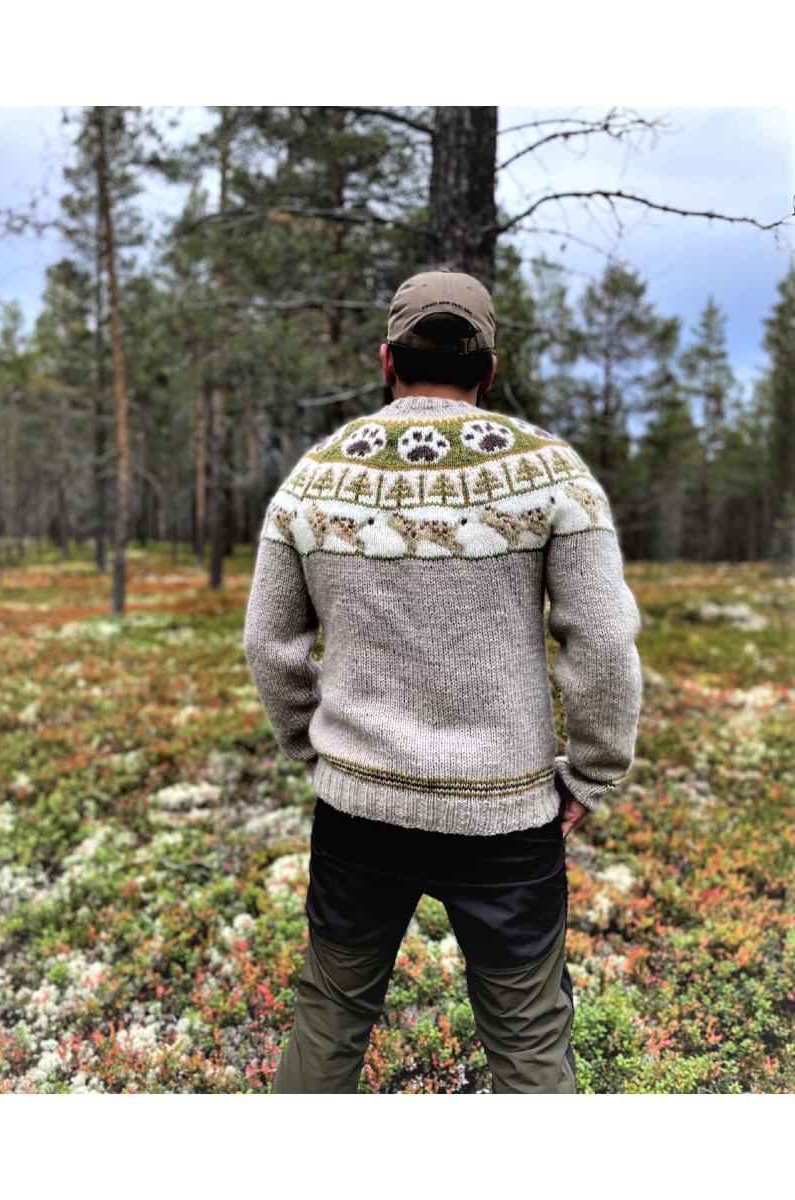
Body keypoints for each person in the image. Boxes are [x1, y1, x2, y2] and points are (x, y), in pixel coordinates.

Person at [243, 268, 643, 1094]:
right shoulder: (553, 475)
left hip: (358, 814)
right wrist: (592, 773)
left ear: (386, 360)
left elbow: (268, 643)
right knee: (529, 1042)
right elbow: (602, 638)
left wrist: (317, 749)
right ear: (488, 369)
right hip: (507, 819)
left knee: (329, 1019)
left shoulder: (314, 480)